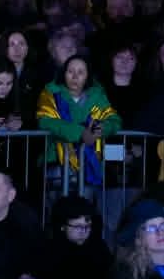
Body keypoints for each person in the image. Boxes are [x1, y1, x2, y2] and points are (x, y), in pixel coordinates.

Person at [36, 55, 120, 196]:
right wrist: (81, 132)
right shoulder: (51, 92)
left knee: (84, 209)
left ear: (88, 76)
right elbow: (46, 120)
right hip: (57, 161)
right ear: (64, 73)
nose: (75, 76)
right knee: (59, 210)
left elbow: (114, 120)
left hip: (90, 163)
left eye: (80, 72)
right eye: (70, 71)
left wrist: (101, 129)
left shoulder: (97, 94)